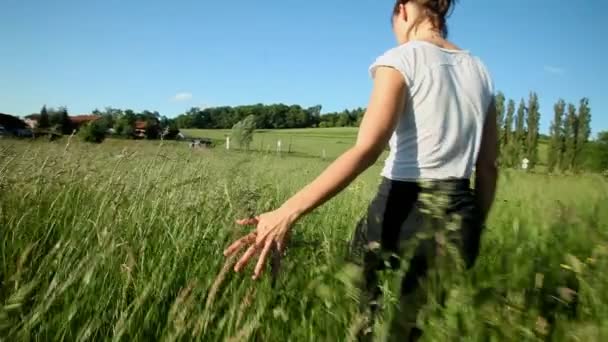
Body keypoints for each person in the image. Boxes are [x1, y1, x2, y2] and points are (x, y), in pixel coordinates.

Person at [224, 0, 498, 340]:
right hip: (461, 216)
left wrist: (286, 212)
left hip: (402, 209)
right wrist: (474, 228)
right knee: (420, 328)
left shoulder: (401, 59)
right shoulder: (480, 70)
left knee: (364, 322)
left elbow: (366, 149)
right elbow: (487, 167)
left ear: (402, 9)